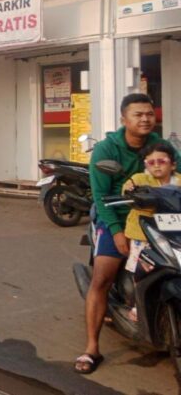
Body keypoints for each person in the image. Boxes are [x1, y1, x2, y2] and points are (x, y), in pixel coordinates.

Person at [75, 93, 161, 375]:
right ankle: (91, 348)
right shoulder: (106, 150)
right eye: (138, 114)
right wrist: (116, 232)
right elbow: (101, 197)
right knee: (102, 278)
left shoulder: (160, 145)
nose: (145, 119)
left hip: (155, 219)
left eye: (149, 114)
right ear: (124, 119)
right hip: (117, 219)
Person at [121, 142, 181, 321]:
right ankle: (137, 303)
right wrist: (130, 192)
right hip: (143, 234)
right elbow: (126, 190)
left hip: (174, 234)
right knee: (141, 269)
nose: (156, 165)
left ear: (173, 164)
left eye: (161, 161)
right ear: (145, 164)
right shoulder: (139, 179)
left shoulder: (179, 180)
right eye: (151, 162)